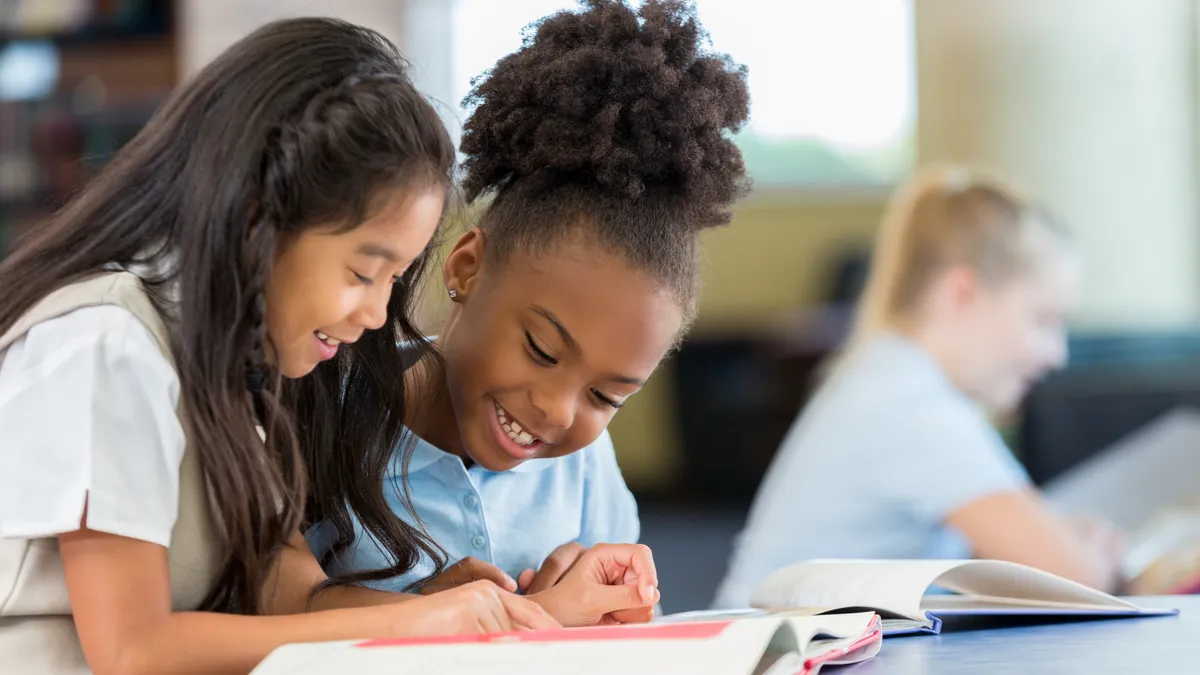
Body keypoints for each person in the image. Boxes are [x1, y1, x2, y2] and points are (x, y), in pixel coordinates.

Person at [0, 19, 570, 675]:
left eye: (393, 280)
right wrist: (410, 620)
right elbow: (132, 649)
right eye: (361, 272)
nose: (376, 312)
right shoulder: (108, 343)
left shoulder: (238, 365)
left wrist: (440, 606)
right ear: (256, 216)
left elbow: (287, 595)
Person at [308, 0, 751, 627]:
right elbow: (265, 611)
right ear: (465, 268)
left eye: (605, 396)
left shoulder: (583, 466)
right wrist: (429, 616)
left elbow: (636, 635)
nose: (558, 410)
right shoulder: (324, 407)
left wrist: (618, 616)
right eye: (542, 349)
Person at [715, 165, 1125, 609]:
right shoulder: (909, 405)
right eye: (1043, 320)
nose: (1057, 354)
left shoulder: (888, 375)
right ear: (962, 293)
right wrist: (1097, 549)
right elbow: (1075, 579)